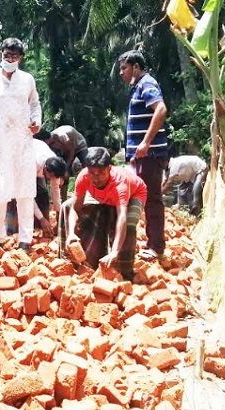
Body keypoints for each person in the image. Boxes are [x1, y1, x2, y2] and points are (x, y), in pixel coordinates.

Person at [0, 37, 42, 250]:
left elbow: (35, 105)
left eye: (14, 55)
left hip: (22, 142)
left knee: (25, 191)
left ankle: (25, 239)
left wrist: (37, 122)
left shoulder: (28, 79)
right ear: (0, 54)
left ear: (20, 58)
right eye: (6, 55)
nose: (9, 58)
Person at [59, 147, 146, 281]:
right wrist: (71, 232)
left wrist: (115, 251)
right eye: (92, 173)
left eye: (100, 173)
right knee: (66, 206)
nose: (96, 178)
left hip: (134, 194)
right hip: (104, 197)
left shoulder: (120, 183)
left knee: (128, 225)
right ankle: (73, 258)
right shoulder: (83, 177)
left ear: (109, 169)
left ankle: (125, 272)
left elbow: (122, 218)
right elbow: (75, 208)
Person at [118, 50, 171, 259]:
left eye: (124, 68)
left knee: (151, 199)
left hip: (149, 154)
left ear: (136, 68)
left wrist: (146, 143)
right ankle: (141, 242)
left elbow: (161, 109)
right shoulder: (138, 87)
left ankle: (156, 246)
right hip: (141, 155)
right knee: (138, 196)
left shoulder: (147, 83)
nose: (121, 73)